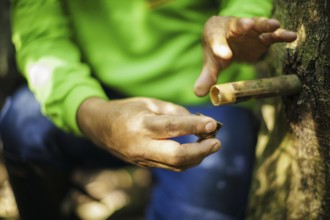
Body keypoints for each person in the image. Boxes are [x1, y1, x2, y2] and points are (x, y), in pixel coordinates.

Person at [0, 0, 296, 219]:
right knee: (22, 122)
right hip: (97, 89)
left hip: (203, 95)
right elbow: (41, 39)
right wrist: (91, 114)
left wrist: (240, 19)